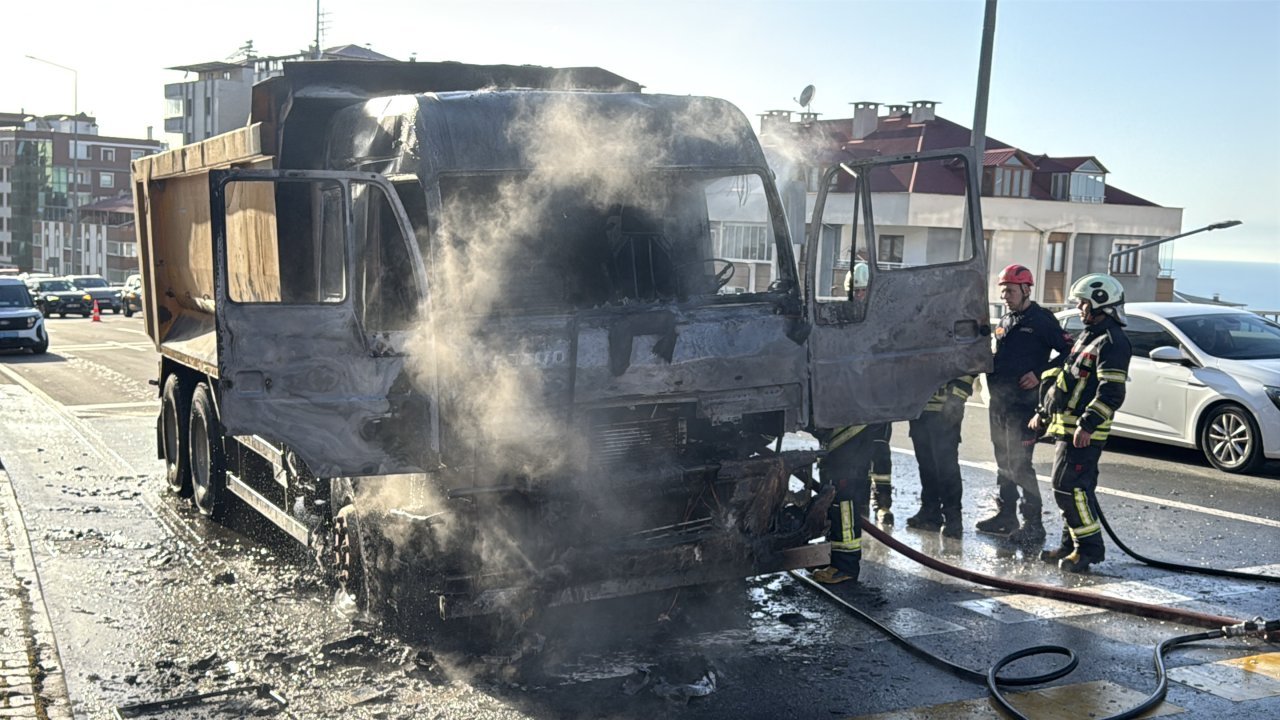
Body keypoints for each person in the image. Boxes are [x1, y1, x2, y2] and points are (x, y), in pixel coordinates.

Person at [1032, 273, 1132, 573]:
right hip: (1066, 427)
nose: (1078, 308)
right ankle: (1070, 543)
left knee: (1068, 487)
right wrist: (1044, 412)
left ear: (1100, 302)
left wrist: (1087, 425)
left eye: (1082, 303)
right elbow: (1067, 380)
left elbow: (1112, 391)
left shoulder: (1113, 342)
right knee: (1071, 489)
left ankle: (1089, 549)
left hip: (1083, 431)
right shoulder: (1090, 336)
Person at [976, 264, 1073, 545]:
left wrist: (1041, 372)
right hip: (1000, 404)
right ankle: (1005, 515)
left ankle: (1034, 523)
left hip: (1024, 407)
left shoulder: (1042, 320)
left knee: (1020, 465)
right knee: (1003, 461)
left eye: (1010, 290)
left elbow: (1069, 351)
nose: (1005, 295)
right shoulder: (1005, 321)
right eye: (1003, 289)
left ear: (1026, 290)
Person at [905, 375, 975, 538]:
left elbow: (969, 361)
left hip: (946, 407)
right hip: (919, 407)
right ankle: (930, 511)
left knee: (946, 466)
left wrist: (957, 397)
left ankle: (953, 518)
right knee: (926, 463)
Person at [810, 423, 877, 584]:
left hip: (848, 441)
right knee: (836, 499)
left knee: (843, 505)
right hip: (843, 438)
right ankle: (835, 556)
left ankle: (845, 566)